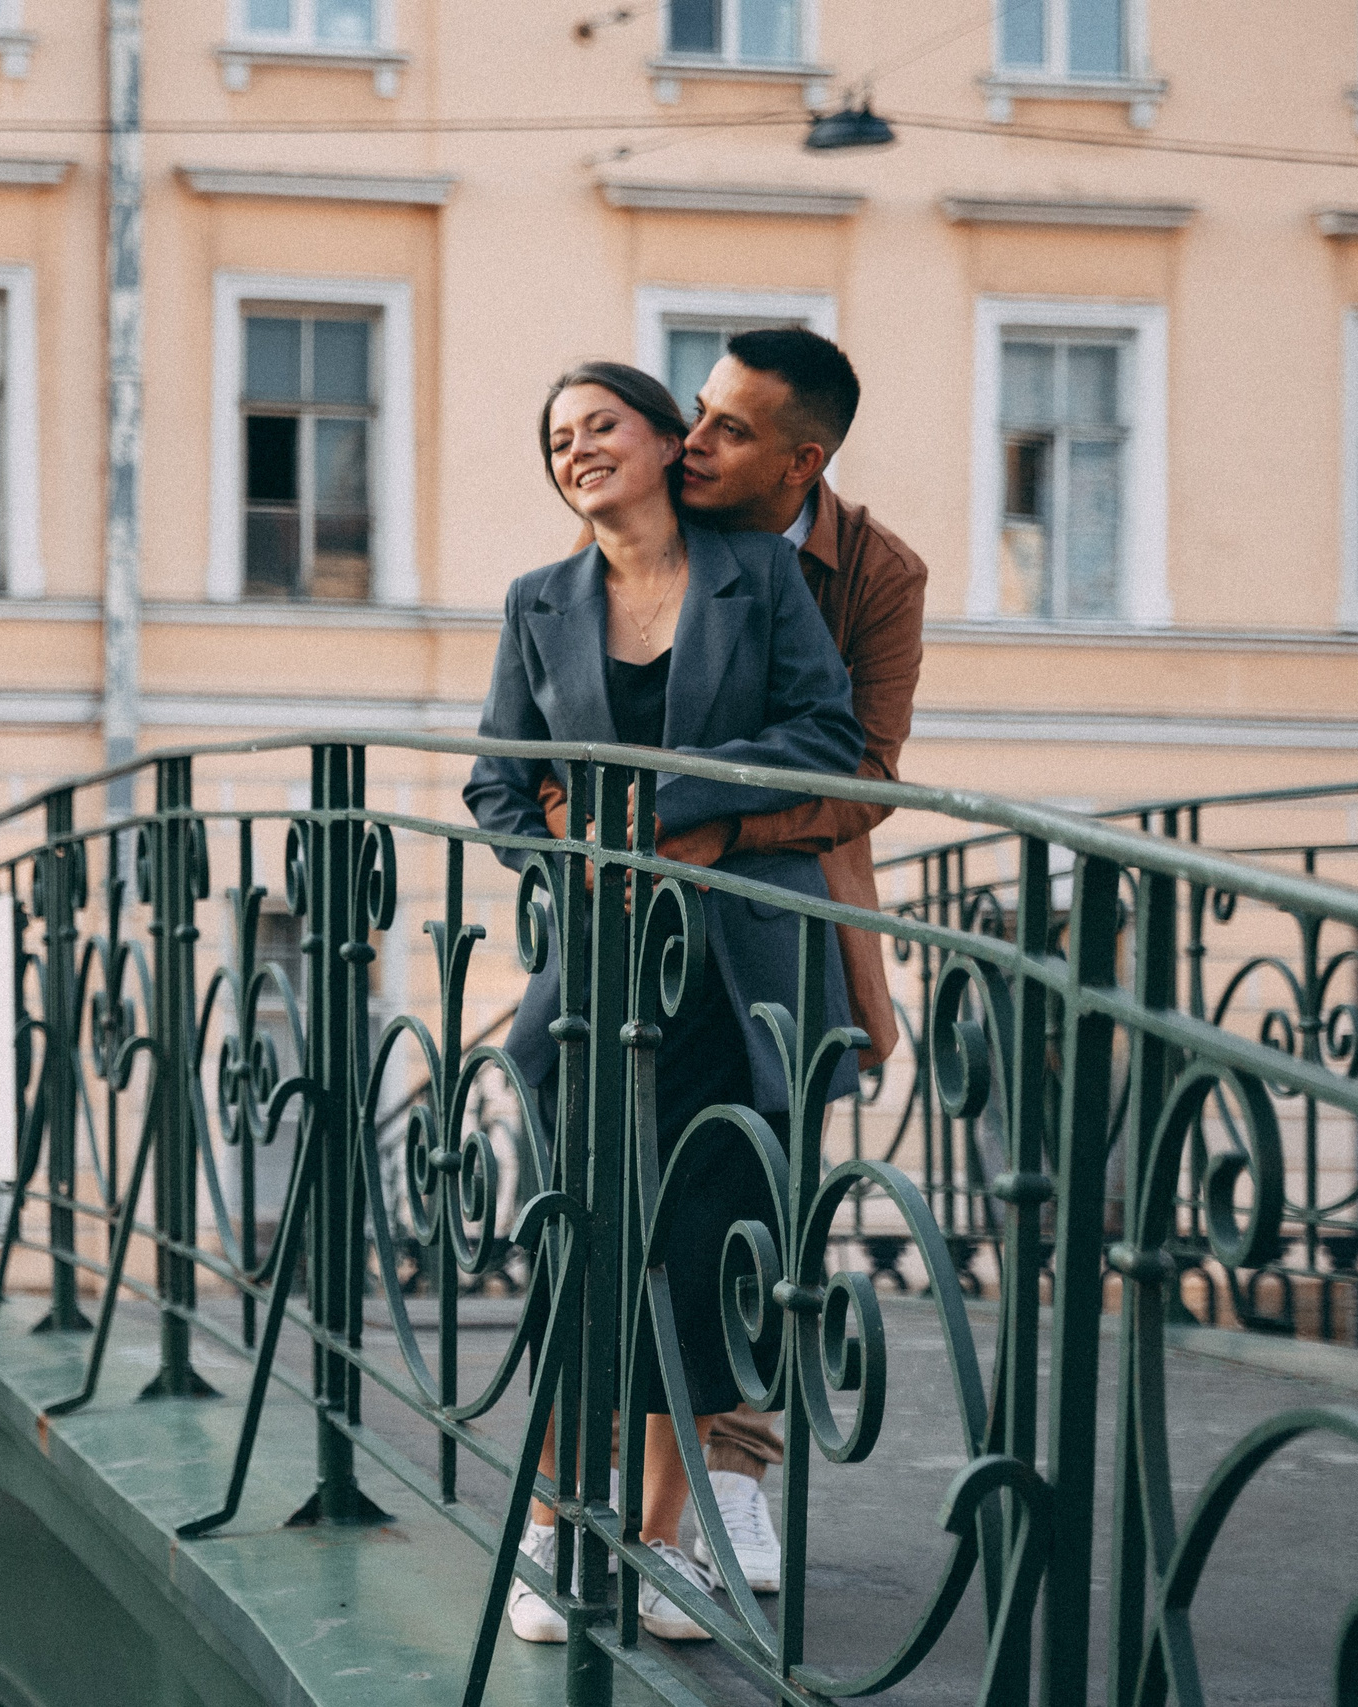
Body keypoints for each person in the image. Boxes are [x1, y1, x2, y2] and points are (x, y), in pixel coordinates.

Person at [466, 361, 863, 1642]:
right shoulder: (538, 602)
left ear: (662, 440)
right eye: (555, 439)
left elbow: (823, 736)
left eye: (599, 427)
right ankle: (547, 1528)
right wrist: (573, 870)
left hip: (736, 968)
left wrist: (655, 799)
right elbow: (498, 787)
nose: (575, 450)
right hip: (601, 973)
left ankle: (657, 1542)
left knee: (701, 1252)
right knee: (585, 1242)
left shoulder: (760, 583)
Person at [536, 328, 930, 1598]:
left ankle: (731, 1484)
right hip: (627, 917)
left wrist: (697, 827)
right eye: (694, 414)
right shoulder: (622, 537)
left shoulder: (867, 571)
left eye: (729, 430)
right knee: (606, 1187)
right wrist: (591, 839)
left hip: (782, 901)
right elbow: (532, 758)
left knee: (745, 1197)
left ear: (799, 459)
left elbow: (860, 773)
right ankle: (581, 1499)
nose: (695, 440)